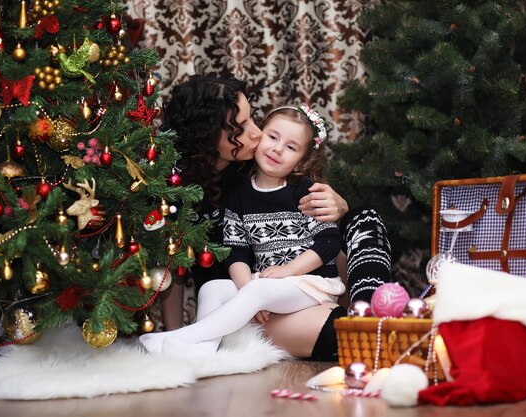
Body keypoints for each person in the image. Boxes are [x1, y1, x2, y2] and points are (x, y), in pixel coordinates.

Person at [157, 73, 392, 360]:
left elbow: (323, 230)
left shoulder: (255, 163)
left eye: (253, 119)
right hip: (248, 311)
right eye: (241, 127)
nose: (256, 134)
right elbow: (171, 272)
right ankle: (193, 340)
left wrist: (338, 204)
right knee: (339, 337)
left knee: (365, 216)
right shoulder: (173, 192)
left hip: (300, 288)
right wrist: (173, 335)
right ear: (209, 136)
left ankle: (367, 311)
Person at [140, 105, 346, 353]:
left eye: (291, 147)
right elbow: (235, 250)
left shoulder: (305, 191)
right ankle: (205, 349)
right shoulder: (238, 196)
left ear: (302, 159)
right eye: (272, 137)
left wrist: (288, 270)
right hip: (268, 283)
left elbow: (328, 242)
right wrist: (247, 292)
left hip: (312, 284)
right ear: (259, 136)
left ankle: (183, 336)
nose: (277, 149)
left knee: (259, 288)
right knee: (213, 287)